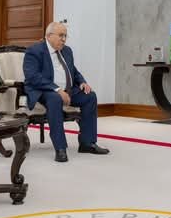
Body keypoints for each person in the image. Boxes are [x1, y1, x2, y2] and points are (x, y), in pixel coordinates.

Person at [23, 22, 109, 162]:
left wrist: (82, 82)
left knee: (90, 96)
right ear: (49, 36)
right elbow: (32, 76)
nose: (64, 39)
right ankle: (60, 148)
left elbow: (73, 71)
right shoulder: (34, 51)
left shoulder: (67, 51)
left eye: (65, 36)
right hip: (44, 90)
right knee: (55, 98)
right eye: (61, 36)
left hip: (68, 90)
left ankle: (87, 143)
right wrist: (57, 89)